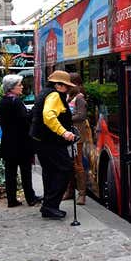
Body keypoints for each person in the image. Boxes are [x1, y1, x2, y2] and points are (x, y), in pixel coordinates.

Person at [31, 70, 77, 219]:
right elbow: (48, 116)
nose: (68, 89)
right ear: (58, 85)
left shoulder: (44, 93)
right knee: (65, 169)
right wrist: (64, 132)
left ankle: (48, 206)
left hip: (41, 141)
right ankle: (51, 205)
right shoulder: (54, 95)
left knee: (50, 172)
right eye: (66, 86)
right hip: (52, 142)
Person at [0, 75, 42, 208]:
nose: (22, 86)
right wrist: (34, 110)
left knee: (10, 173)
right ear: (11, 88)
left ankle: (11, 199)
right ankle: (30, 197)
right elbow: (25, 120)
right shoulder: (15, 101)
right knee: (25, 172)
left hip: (8, 142)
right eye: (19, 84)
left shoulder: (3, 101)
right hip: (21, 143)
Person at [65, 72, 89, 205]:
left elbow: (82, 115)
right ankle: (70, 191)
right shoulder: (70, 96)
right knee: (70, 164)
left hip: (77, 136)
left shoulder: (79, 97)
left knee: (78, 165)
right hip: (68, 135)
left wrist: (66, 118)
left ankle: (82, 194)